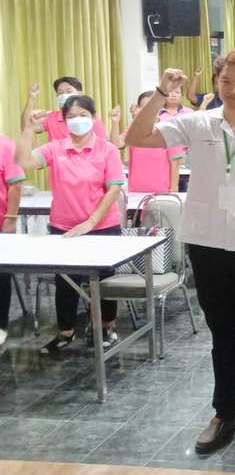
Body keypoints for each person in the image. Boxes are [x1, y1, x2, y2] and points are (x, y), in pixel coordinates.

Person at [126, 52, 235, 457]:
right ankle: (225, 413)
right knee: (221, 336)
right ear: (217, 83)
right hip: (204, 244)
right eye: (227, 82)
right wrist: (162, 92)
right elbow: (137, 136)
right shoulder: (197, 123)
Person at [16, 95, 126, 353]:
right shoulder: (55, 148)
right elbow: (23, 163)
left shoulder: (107, 149)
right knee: (66, 282)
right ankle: (65, 331)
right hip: (64, 228)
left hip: (102, 226)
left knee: (105, 281)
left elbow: (113, 190)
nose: (77, 121)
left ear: (94, 118)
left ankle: (107, 326)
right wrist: (27, 131)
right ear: (64, 121)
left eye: (83, 115)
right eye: (71, 117)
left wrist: (91, 222)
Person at [109, 92, 184, 194]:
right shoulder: (134, 128)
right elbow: (117, 144)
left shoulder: (169, 130)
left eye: (151, 107)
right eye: (143, 107)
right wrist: (114, 123)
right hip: (135, 192)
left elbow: (175, 164)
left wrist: (173, 191)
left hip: (161, 192)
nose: (147, 111)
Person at [22, 77, 108, 142]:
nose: (64, 95)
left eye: (68, 91)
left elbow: (103, 145)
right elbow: (26, 127)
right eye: (60, 92)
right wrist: (31, 97)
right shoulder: (51, 117)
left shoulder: (90, 117)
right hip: (58, 165)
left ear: (79, 94)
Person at [0, 134, 26, 348]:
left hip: (1, 223)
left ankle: (1, 325)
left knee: (1, 276)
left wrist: (10, 219)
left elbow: (16, 184)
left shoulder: (5, 145)